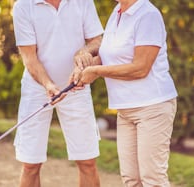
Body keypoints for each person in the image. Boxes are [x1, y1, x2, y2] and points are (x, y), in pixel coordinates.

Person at [75, 0, 178, 186]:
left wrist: (96, 72)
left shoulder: (148, 15)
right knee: (131, 179)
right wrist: (84, 69)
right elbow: (108, 56)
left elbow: (141, 68)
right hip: (125, 109)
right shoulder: (117, 12)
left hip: (152, 106)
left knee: (152, 179)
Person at [12, 0, 103, 187]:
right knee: (30, 164)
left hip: (77, 87)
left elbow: (97, 40)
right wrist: (48, 84)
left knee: (87, 161)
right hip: (37, 89)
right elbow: (29, 57)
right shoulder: (23, 6)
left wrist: (85, 51)